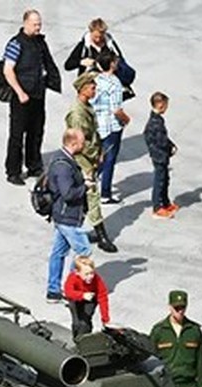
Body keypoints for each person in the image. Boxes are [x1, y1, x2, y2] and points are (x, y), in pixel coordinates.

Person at [2, 9, 61, 185]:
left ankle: (34, 165)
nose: (38, 27)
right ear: (25, 23)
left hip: (37, 94)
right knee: (17, 135)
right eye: (35, 24)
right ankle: (13, 171)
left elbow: (47, 63)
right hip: (21, 97)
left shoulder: (40, 43)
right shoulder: (16, 44)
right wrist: (20, 92)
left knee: (36, 132)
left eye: (39, 24)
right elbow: (7, 70)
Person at [65, 72, 117, 253]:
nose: (95, 89)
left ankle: (77, 231)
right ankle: (102, 236)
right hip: (82, 159)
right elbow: (79, 141)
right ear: (83, 89)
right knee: (92, 195)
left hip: (90, 157)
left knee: (86, 199)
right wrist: (96, 154)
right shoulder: (78, 113)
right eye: (92, 87)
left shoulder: (86, 106)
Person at [45, 128, 92, 304]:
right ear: (73, 143)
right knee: (84, 251)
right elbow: (68, 194)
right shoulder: (64, 166)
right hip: (68, 217)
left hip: (62, 215)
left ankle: (53, 290)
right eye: (82, 141)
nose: (84, 144)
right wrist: (85, 187)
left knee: (59, 252)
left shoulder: (61, 158)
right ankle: (73, 288)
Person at [149, 290, 202, 387]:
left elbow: (200, 362)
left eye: (183, 307)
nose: (180, 311)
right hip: (165, 386)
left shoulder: (194, 331)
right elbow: (150, 361)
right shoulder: (159, 331)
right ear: (169, 307)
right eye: (177, 308)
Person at [92, 51, 130, 204]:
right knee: (109, 159)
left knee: (98, 156)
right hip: (111, 126)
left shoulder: (96, 79)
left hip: (97, 124)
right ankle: (105, 193)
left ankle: (90, 178)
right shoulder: (115, 83)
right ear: (112, 64)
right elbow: (116, 109)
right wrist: (126, 119)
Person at [63, 18, 134, 98]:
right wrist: (81, 62)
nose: (98, 40)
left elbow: (120, 60)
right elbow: (68, 65)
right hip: (89, 88)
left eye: (101, 37)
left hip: (108, 88)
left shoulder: (110, 45)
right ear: (90, 32)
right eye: (95, 37)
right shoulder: (84, 46)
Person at [144, 91, 179, 218]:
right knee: (159, 181)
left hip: (161, 155)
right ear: (160, 105)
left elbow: (164, 138)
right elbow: (161, 140)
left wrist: (171, 144)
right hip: (159, 155)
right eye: (166, 105)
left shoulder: (157, 119)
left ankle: (165, 202)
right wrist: (169, 148)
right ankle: (157, 207)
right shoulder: (155, 122)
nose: (166, 108)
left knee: (165, 179)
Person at [63, 255, 111, 339]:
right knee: (76, 323)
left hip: (90, 299)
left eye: (92, 273)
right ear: (77, 272)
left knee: (85, 322)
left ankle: (85, 341)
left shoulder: (96, 279)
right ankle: (76, 339)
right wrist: (82, 295)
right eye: (86, 274)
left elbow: (103, 297)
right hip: (75, 299)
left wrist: (105, 319)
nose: (90, 277)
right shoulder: (72, 277)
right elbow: (68, 292)